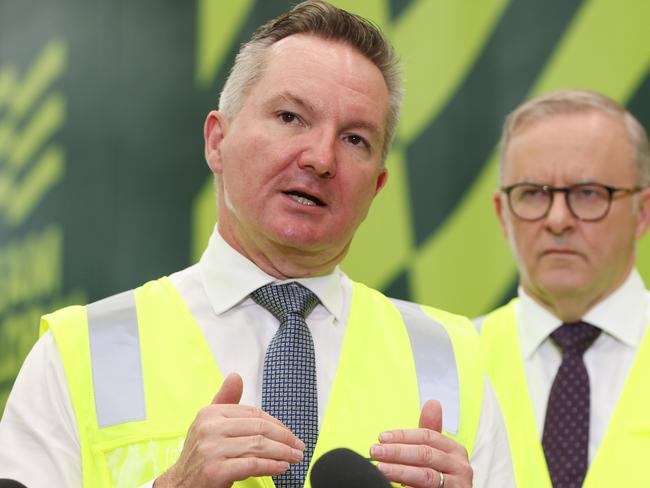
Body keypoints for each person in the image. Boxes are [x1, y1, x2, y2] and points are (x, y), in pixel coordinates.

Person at [0, 2, 514, 487]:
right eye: (291, 117)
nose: (321, 158)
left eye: (355, 139)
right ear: (216, 141)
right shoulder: (79, 354)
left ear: (377, 187)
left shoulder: (452, 362)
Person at [479, 88, 650, 487]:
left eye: (588, 193)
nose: (558, 219)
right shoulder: (451, 362)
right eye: (532, 194)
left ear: (641, 213)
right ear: (503, 215)